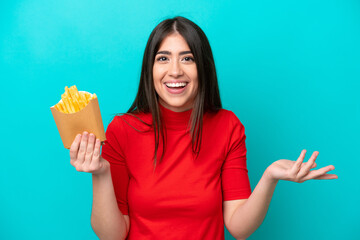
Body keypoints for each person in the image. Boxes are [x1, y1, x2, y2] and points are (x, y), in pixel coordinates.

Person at [69, 16, 338, 240]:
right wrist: (101, 174)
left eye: (187, 59)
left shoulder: (227, 126)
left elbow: (239, 227)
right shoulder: (123, 129)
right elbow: (112, 235)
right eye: (163, 58)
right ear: (149, 69)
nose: (175, 71)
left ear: (203, 67)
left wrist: (269, 177)